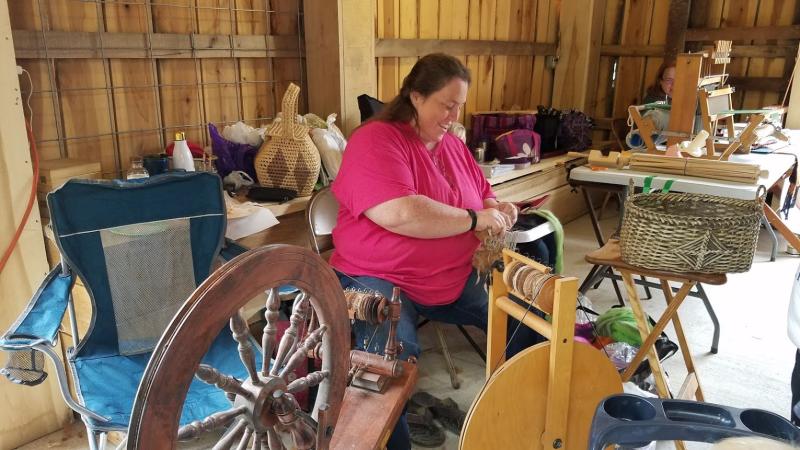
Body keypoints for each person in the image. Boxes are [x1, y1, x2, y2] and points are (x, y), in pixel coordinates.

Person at [330, 53, 519, 449]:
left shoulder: (450, 145)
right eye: (446, 105)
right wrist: (473, 220)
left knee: (522, 324)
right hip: (378, 276)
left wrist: (499, 208)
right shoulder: (375, 139)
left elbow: (482, 195)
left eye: (459, 106)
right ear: (416, 96)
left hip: (449, 279)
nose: (454, 115)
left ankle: (525, 414)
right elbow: (400, 212)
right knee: (387, 366)